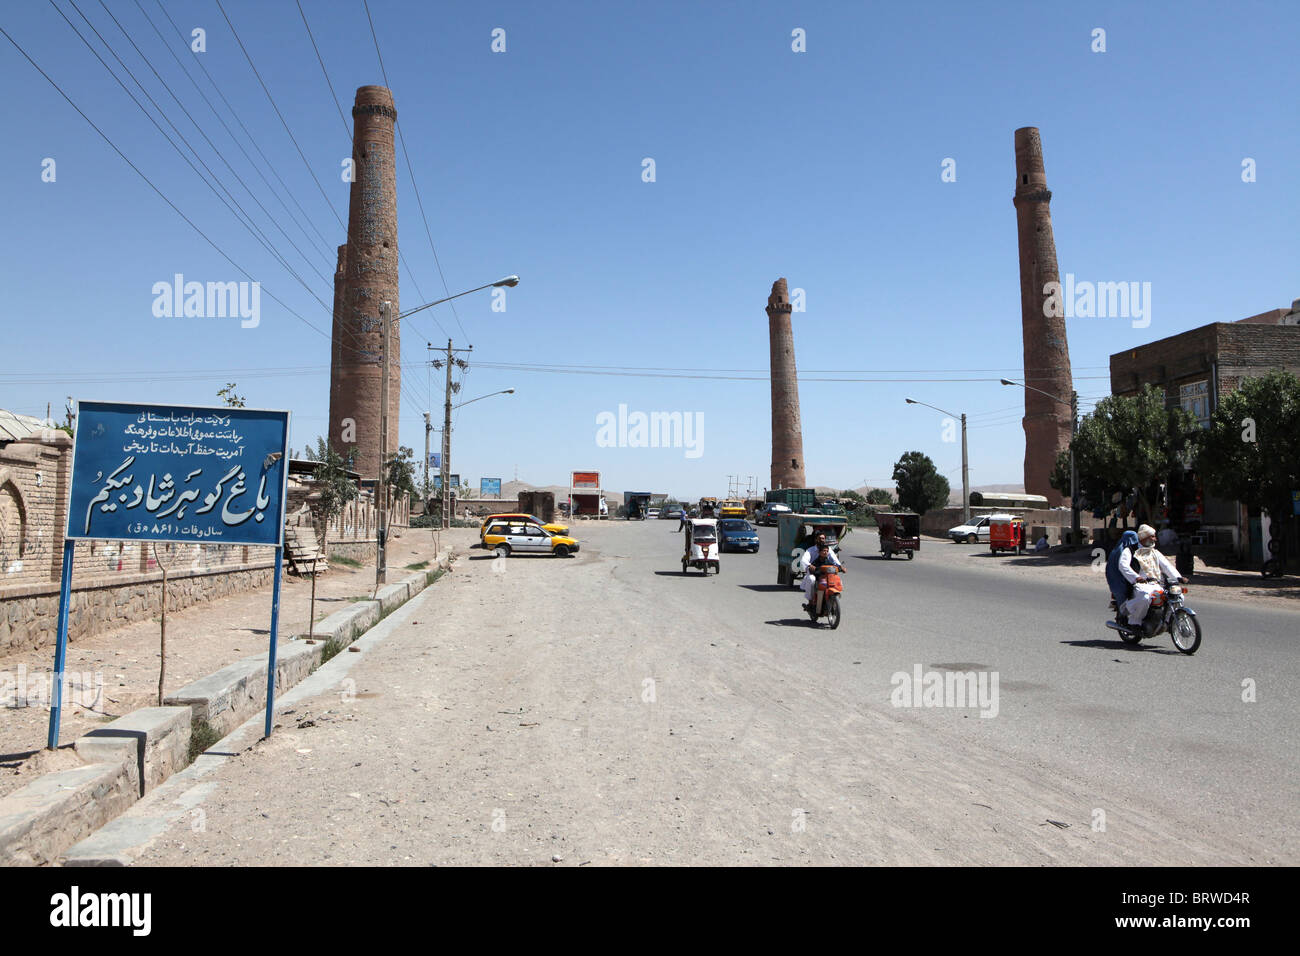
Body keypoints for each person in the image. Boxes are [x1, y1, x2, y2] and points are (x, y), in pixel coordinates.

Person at [1115, 524, 1185, 627]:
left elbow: (1166, 566)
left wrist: (1178, 577)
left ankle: (1166, 621)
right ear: (1144, 537)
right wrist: (1136, 577)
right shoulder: (1130, 550)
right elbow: (1123, 565)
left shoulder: (1154, 552)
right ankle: (1135, 621)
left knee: (1178, 597)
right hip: (1139, 585)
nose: (1155, 539)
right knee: (1145, 597)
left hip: (1157, 584)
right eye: (1152, 536)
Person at [799, 533, 844, 609]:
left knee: (837, 579)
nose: (821, 540)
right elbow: (804, 560)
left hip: (826, 573)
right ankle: (810, 602)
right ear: (816, 539)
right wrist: (810, 565)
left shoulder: (828, 549)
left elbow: (834, 559)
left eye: (823, 538)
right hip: (814, 573)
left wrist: (840, 567)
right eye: (819, 538)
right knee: (811, 579)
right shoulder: (810, 550)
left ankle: (834, 598)